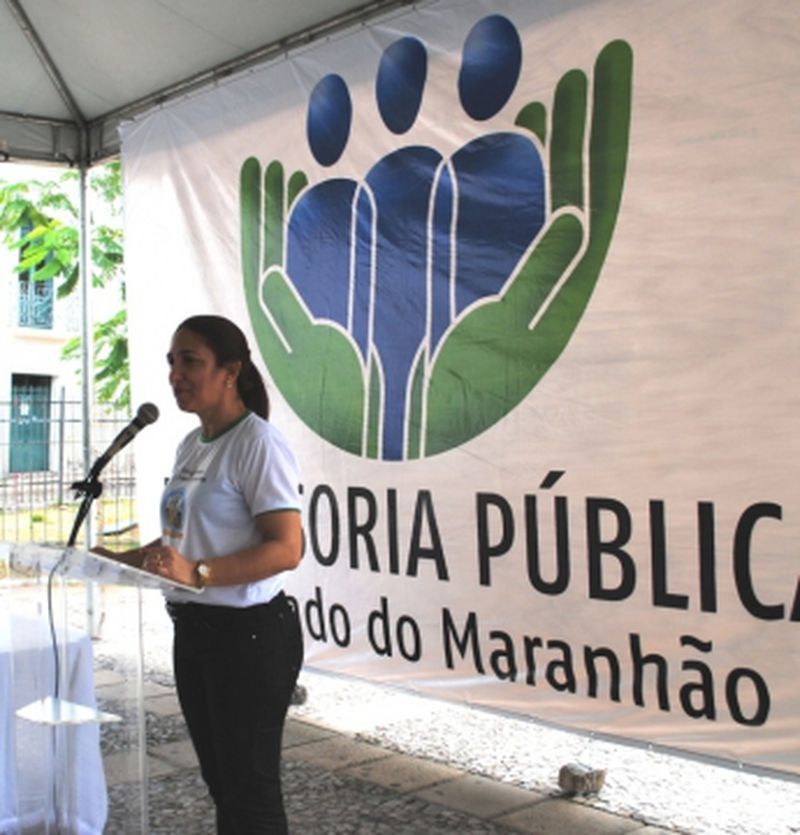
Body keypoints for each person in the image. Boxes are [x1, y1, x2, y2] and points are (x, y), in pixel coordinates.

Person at [96, 314, 304, 833]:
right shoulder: (192, 444)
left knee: (249, 794)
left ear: (230, 372)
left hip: (249, 638)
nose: (176, 375)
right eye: (172, 362)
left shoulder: (257, 443)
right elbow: (179, 546)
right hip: (194, 635)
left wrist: (199, 572)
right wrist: (117, 559)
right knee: (222, 784)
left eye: (190, 361)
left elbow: (286, 548)